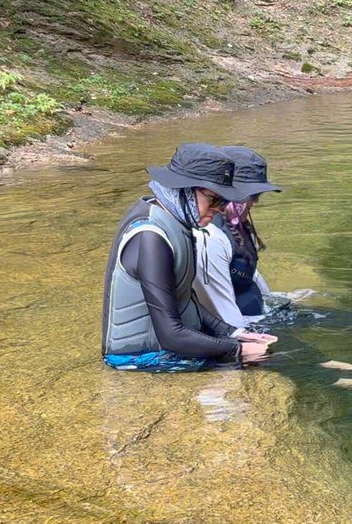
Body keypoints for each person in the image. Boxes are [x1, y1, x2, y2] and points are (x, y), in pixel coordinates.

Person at [101, 143, 276, 372]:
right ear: (183, 190)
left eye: (225, 201)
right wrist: (237, 349)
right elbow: (171, 335)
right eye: (215, 200)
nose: (220, 209)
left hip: (169, 348)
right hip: (141, 358)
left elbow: (186, 301)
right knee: (275, 360)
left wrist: (234, 333)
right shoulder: (150, 236)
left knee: (273, 351)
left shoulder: (176, 224)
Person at [193, 145, 284, 332]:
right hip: (239, 329)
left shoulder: (240, 226)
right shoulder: (211, 237)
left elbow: (251, 274)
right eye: (254, 195)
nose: (256, 201)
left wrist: (281, 299)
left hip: (259, 317)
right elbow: (220, 311)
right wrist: (248, 339)